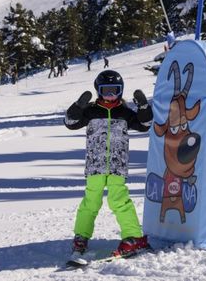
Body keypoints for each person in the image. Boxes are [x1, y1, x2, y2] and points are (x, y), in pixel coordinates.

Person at [64, 70, 153, 264]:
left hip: (117, 165)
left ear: (121, 92)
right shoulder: (91, 111)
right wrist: (78, 106)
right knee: (91, 201)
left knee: (119, 200)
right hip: (95, 165)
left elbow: (146, 124)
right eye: (106, 91)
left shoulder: (124, 113)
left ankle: (133, 237)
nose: (110, 95)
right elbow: (70, 123)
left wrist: (144, 106)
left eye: (115, 91)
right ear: (99, 91)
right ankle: (81, 237)